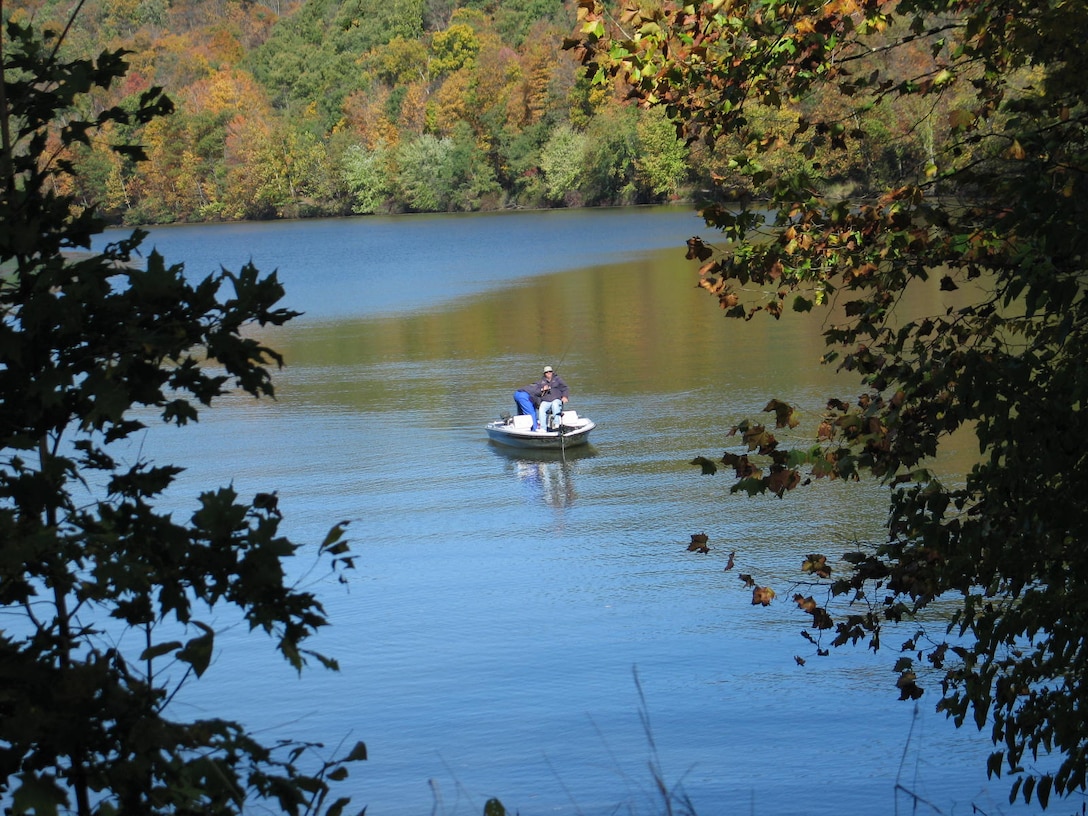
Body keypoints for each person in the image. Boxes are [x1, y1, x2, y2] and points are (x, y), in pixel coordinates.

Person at [513, 365, 569, 431]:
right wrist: (543, 389)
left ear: (552, 372)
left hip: (556, 399)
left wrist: (565, 396)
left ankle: (556, 424)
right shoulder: (541, 382)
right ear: (544, 374)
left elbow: (565, 388)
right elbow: (537, 392)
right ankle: (542, 428)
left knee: (555, 404)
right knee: (541, 408)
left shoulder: (558, 380)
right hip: (545, 400)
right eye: (547, 372)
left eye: (550, 371)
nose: (549, 373)